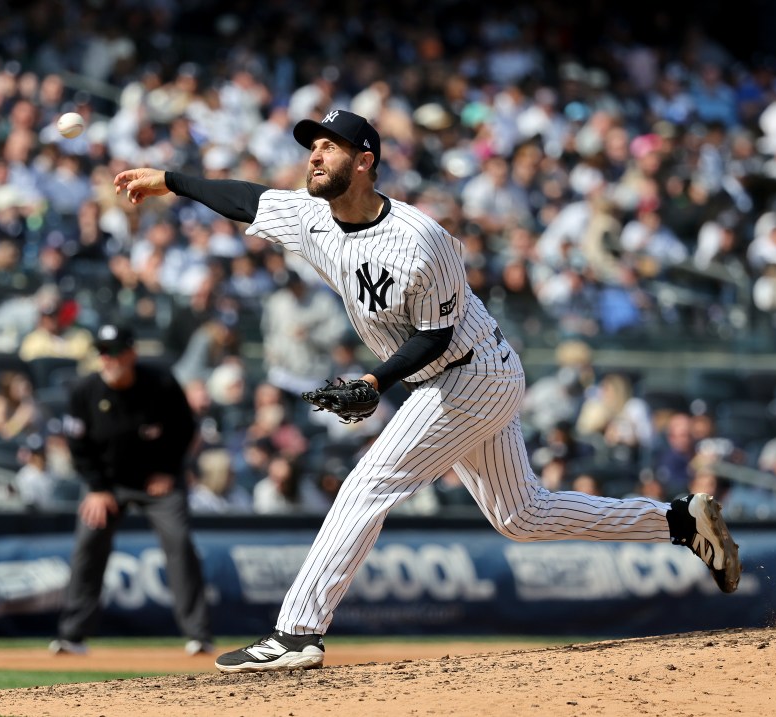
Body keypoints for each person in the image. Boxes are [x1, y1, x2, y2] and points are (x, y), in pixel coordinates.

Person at [114, 108, 742, 674]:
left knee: (369, 483)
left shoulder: (421, 238)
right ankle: (679, 522)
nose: (314, 155)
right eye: (312, 145)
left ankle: (297, 632)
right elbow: (245, 200)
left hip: (472, 370)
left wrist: (372, 382)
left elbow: (436, 338)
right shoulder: (310, 215)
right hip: (449, 375)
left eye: (329, 147)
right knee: (520, 517)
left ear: (365, 162)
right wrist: (170, 180)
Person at [49, 323, 214, 658]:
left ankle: (198, 635)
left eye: (113, 351)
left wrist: (169, 471)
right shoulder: (84, 391)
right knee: (88, 543)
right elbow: (78, 446)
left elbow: (185, 429)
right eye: (101, 352)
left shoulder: (161, 383)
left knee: (179, 542)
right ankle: (72, 636)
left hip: (157, 482)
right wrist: (96, 488)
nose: (106, 359)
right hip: (107, 484)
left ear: (131, 353)